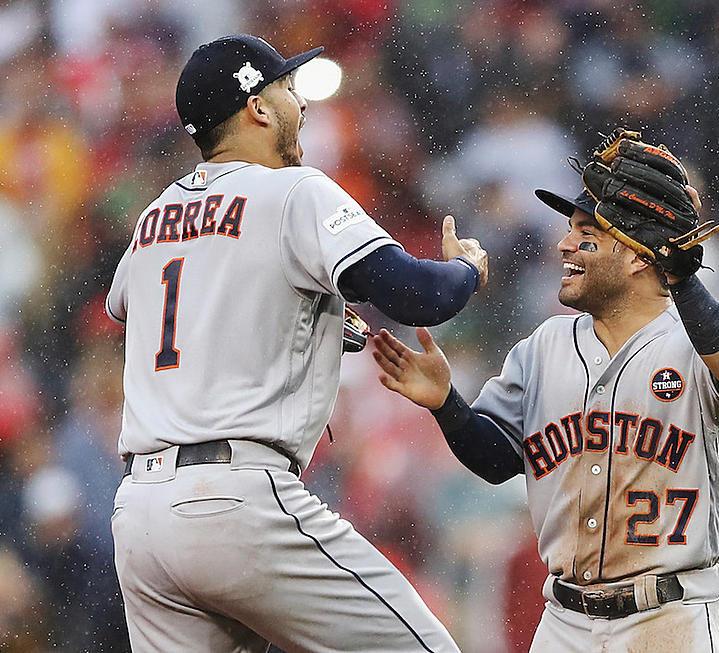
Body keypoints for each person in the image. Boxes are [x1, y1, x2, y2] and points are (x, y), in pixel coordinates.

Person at [105, 34, 487, 652]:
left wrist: (305, 315)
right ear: (257, 107)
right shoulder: (293, 191)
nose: (300, 103)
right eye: (287, 88)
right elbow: (421, 295)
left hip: (142, 518)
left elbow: (128, 303)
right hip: (237, 503)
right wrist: (467, 267)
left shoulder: (154, 216)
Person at [372, 148, 719, 651]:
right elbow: (500, 460)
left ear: (637, 255)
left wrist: (683, 278)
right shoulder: (545, 346)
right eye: (570, 230)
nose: (564, 244)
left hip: (669, 618)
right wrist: (446, 405)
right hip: (565, 621)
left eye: (587, 235)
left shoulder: (696, 339)